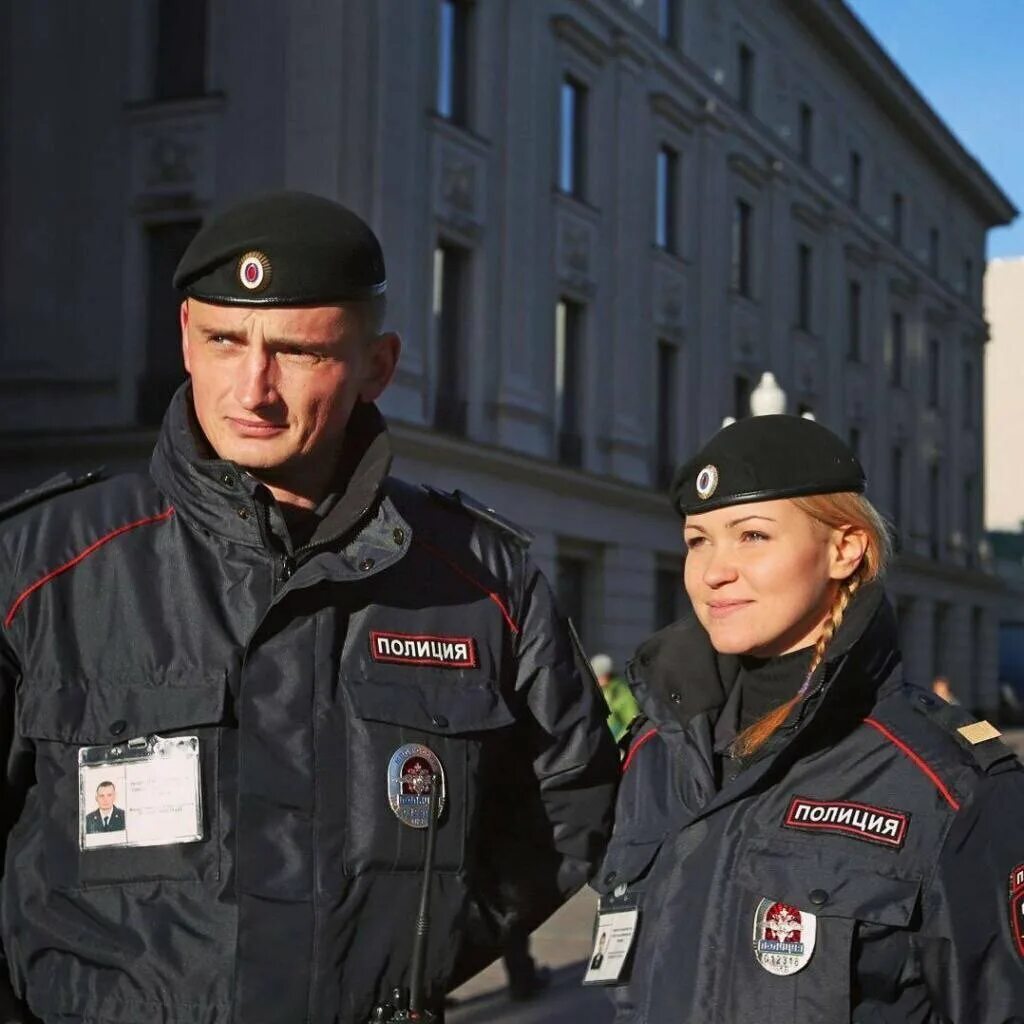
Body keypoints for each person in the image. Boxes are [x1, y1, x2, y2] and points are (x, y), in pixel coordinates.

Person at [0, 191, 619, 1024]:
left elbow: (569, 802)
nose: (253, 389)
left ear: (377, 365)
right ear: (185, 335)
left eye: (297, 352)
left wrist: (405, 958)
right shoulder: (46, 567)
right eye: (225, 341)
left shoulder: (478, 580)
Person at [596, 415, 1024, 1022]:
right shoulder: (656, 753)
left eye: (751, 536)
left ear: (844, 548)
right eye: (698, 540)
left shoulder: (949, 783)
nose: (713, 570)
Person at [591, 653, 641, 741]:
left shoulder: (621, 690)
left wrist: (621, 740)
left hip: (616, 736)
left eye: (599, 676)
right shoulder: (595, 689)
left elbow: (631, 719)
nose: (597, 679)